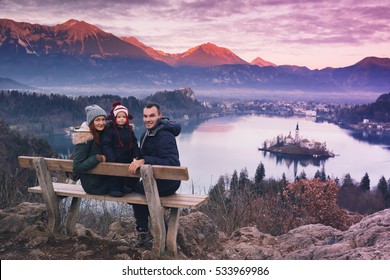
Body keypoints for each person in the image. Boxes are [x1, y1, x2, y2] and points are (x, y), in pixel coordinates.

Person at [128, 102, 181, 247]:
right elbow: (145, 153)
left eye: (152, 116)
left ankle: (146, 233)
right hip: (153, 180)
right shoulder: (147, 133)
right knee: (136, 191)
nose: (148, 119)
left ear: (160, 116)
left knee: (136, 192)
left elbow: (172, 163)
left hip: (168, 181)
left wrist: (145, 160)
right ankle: (152, 233)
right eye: (145, 116)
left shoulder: (165, 136)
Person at [102, 103, 140, 197]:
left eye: (124, 117)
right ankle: (113, 189)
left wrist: (137, 154)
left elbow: (134, 143)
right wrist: (111, 157)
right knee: (114, 175)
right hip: (115, 158)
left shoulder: (129, 130)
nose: (121, 119)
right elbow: (106, 145)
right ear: (115, 118)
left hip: (127, 157)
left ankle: (123, 187)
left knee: (124, 174)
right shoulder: (110, 130)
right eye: (119, 117)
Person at [72, 104, 110, 195]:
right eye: (97, 120)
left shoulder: (100, 132)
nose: (101, 123)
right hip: (94, 185)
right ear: (91, 122)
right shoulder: (85, 137)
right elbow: (77, 167)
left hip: (102, 179)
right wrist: (97, 158)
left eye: (103, 119)